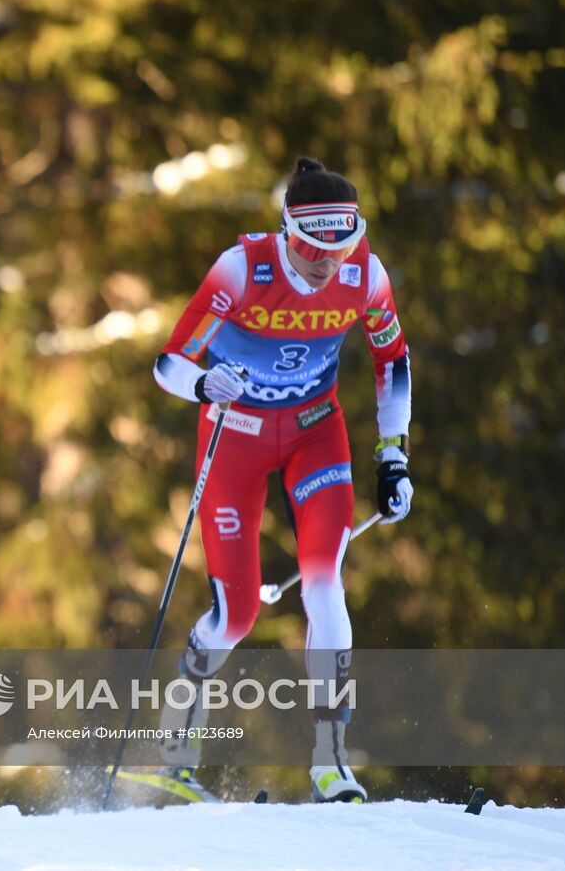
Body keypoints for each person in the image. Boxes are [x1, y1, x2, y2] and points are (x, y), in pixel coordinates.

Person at [150, 157, 412, 802]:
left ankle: (331, 760)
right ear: (286, 231)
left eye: (341, 245)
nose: (326, 262)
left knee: (325, 590)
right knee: (234, 615)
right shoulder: (242, 270)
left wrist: (393, 456)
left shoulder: (365, 276)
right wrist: (202, 382)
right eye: (311, 246)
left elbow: (393, 362)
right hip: (232, 436)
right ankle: (174, 750)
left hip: (315, 432)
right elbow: (167, 362)